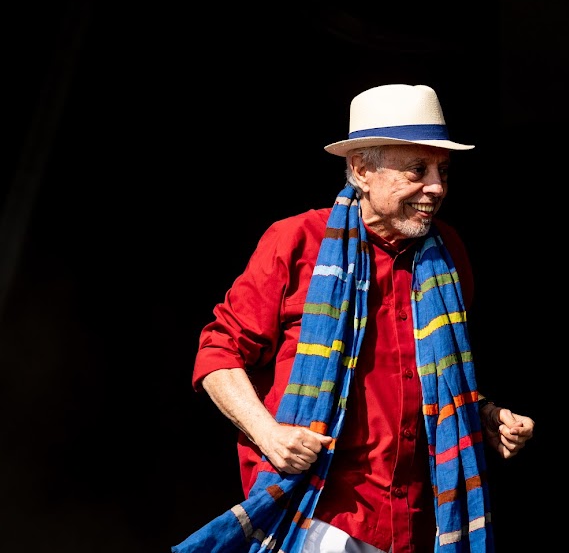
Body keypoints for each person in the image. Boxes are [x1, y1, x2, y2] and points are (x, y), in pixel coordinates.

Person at [172, 83, 535, 553]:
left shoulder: (448, 254)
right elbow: (219, 352)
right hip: (319, 513)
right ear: (362, 170)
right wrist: (268, 433)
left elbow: (437, 377)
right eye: (417, 170)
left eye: (443, 171)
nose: (437, 187)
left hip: (421, 521)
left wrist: (482, 414)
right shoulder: (296, 241)